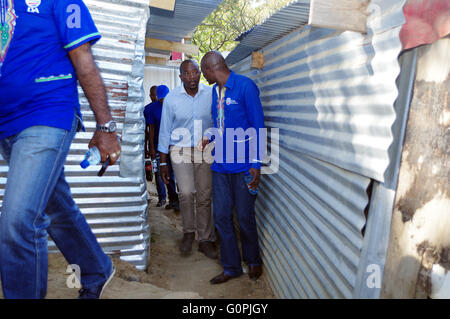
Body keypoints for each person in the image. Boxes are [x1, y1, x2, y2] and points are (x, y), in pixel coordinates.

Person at [0, 0, 120, 298]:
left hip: (47, 113)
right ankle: (95, 270)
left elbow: (83, 59)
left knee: (18, 220)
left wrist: (105, 128)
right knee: (55, 204)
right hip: (6, 122)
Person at [200, 51, 265, 284]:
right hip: (219, 167)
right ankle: (231, 267)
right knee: (222, 218)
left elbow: (258, 126)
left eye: (203, 71)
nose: (202, 75)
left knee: (245, 217)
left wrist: (256, 164)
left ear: (211, 68)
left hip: (243, 166)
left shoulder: (245, 86)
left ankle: (254, 261)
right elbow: (215, 122)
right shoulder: (213, 91)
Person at [158, 60, 217, 259]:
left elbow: (218, 121)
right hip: (180, 149)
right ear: (180, 76)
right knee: (185, 192)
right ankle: (188, 233)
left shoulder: (210, 94)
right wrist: (163, 161)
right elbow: (165, 130)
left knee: (204, 195)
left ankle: (205, 239)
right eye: (187, 73)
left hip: (205, 148)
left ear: (200, 73)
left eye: (195, 72)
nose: (192, 77)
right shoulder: (172, 98)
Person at [144, 85, 179, 209]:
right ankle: (167, 198)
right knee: (161, 172)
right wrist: (151, 147)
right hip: (159, 146)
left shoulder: (175, 106)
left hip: (174, 144)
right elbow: (150, 129)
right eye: (161, 98)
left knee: (175, 172)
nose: (164, 101)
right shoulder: (152, 108)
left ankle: (176, 199)